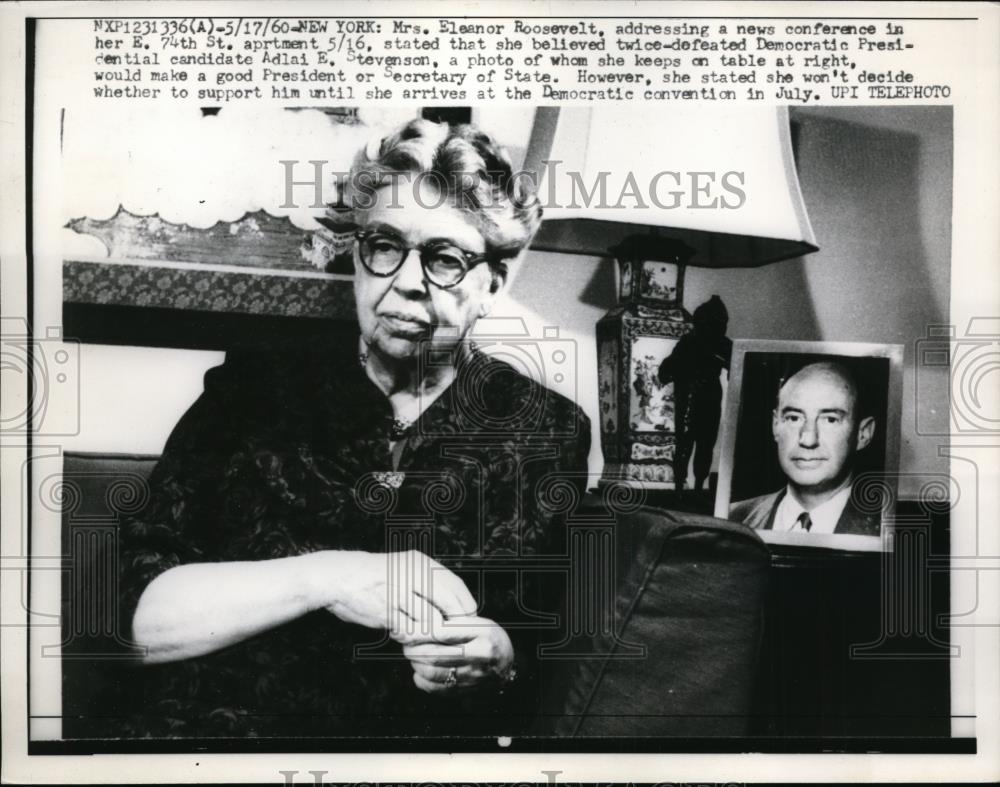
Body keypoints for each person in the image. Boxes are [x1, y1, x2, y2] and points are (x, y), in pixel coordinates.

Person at [114, 119, 590, 738]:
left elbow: (540, 649)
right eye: (386, 245)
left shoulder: (546, 432)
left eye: (446, 259)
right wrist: (330, 577)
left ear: (492, 282)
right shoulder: (253, 393)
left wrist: (496, 659)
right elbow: (141, 623)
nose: (408, 280)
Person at [728, 361, 880, 536]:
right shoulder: (732, 520)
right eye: (794, 418)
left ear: (863, 434)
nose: (808, 439)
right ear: (775, 425)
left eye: (830, 420)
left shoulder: (890, 530)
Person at [658, 295, 731, 491]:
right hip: (691, 396)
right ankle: (681, 486)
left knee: (704, 443)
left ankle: (695, 486)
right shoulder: (690, 342)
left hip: (707, 397)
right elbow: (666, 369)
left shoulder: (722, 344)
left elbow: (737, 366)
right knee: (687, 442)